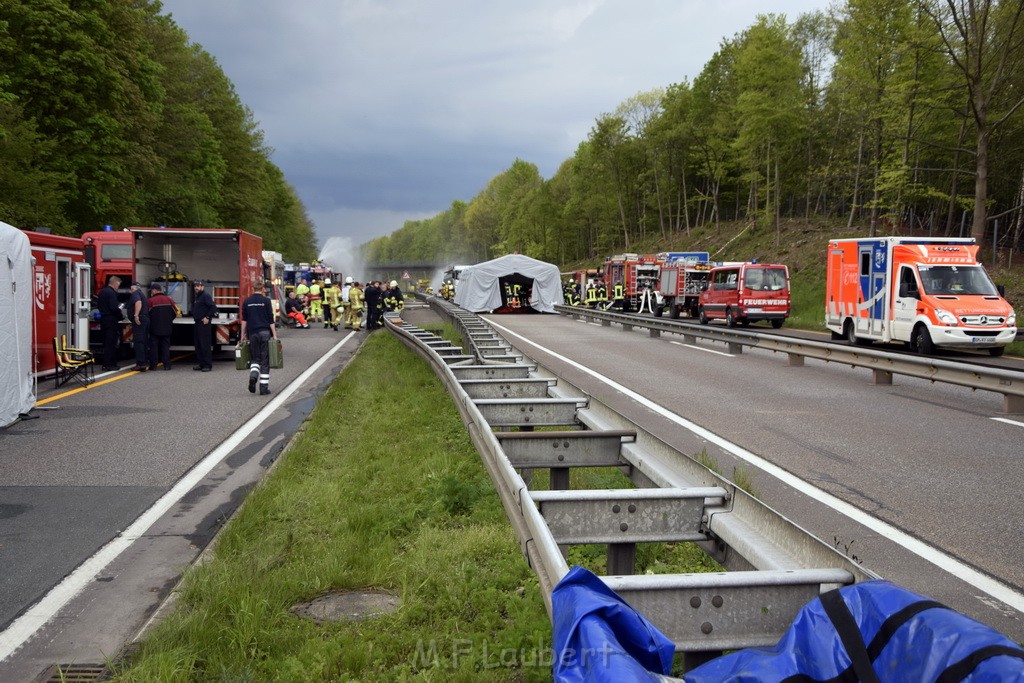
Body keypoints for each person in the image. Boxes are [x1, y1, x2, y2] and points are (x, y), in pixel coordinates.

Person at [240, 278, 277, 396]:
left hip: (253, 333)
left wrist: (243, 335)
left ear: (252, 288)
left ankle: (253, 376)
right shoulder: (266, 301)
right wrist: (274, 335)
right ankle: (263, 388)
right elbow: (271, 319)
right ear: (262, 289)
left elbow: (244, 320)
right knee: (264, 360)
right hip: (265, 332)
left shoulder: (247, 301)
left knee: (255, 358)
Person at [147, 284, 179, 370]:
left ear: (155, 290)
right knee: (165, 347)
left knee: (154, 347)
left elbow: (146, 315)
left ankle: (153, 366)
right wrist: (168, 321)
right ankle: (167, 365)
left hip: (154, 328)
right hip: (167, 327)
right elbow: (176, 312)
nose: (151, 292)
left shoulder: (150, 301)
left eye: (151, 290)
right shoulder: (169, 300)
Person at [97, 275, 122, 371]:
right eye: (118, 285)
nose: (118, 287)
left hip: (103, 319)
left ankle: (106, 363)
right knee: (111, 343)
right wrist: (120, 315)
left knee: (106, 342)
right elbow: (113, 307)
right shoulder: (112, 293)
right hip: (111, 320)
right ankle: (109, 364)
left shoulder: (102, 291)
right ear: (115, 283)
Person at [191, 280, 217, 371]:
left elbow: (213, 307)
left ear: (202, 287)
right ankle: (201, 364)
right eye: (195, 286)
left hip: (204, 324)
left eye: (198, 286)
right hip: (197, 323)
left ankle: (207, 365)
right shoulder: (198, 297)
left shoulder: (205, 296)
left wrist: (207, 317)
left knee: (204, 344)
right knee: (198, 345)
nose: (196, 288)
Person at [127, 281, 149, 371]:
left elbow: (138, 302)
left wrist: (136, 315)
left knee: (138, 342)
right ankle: (144, 362)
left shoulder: (135, 294)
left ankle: (141, 364)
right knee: (143, 341)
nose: (131, 291)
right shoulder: (141, 293)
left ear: (133, 288)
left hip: (140, 320)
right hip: (145, 319)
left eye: (131, 289)